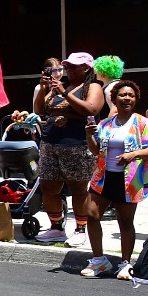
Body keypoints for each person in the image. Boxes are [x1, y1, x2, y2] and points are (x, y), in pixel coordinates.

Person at [82, 80, 148, 278]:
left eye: (131, 96)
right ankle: (99, 261)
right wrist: (90, 136)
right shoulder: (105, 124)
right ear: (114, 99)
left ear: (136, 100)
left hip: (129, 181)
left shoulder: (142, 123)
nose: (127, 99)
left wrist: (134, 154)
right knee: (91, 214)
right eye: (123, 95)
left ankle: (124, 264)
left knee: (125, 222)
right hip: (103, 178)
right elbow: (96, 150)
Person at [32, 51, 105, 247]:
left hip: (77, 145)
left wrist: (64, 92)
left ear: (86, 68)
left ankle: (81, 229)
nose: (68, 70)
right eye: (67, 67)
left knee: (78, 188)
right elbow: (39, 110)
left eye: (73, 67)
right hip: (49, 143)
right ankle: (56, 228)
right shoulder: (56, 87)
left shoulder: (93, 87)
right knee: (48, 186)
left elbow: (91, 109)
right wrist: (43, 88)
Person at [92, 55, 124, 120]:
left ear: (102, 71)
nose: (95, 73)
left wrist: (105, 127)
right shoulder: (118, 84)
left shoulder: (111, 87)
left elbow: (115, 111)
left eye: (97, 70)